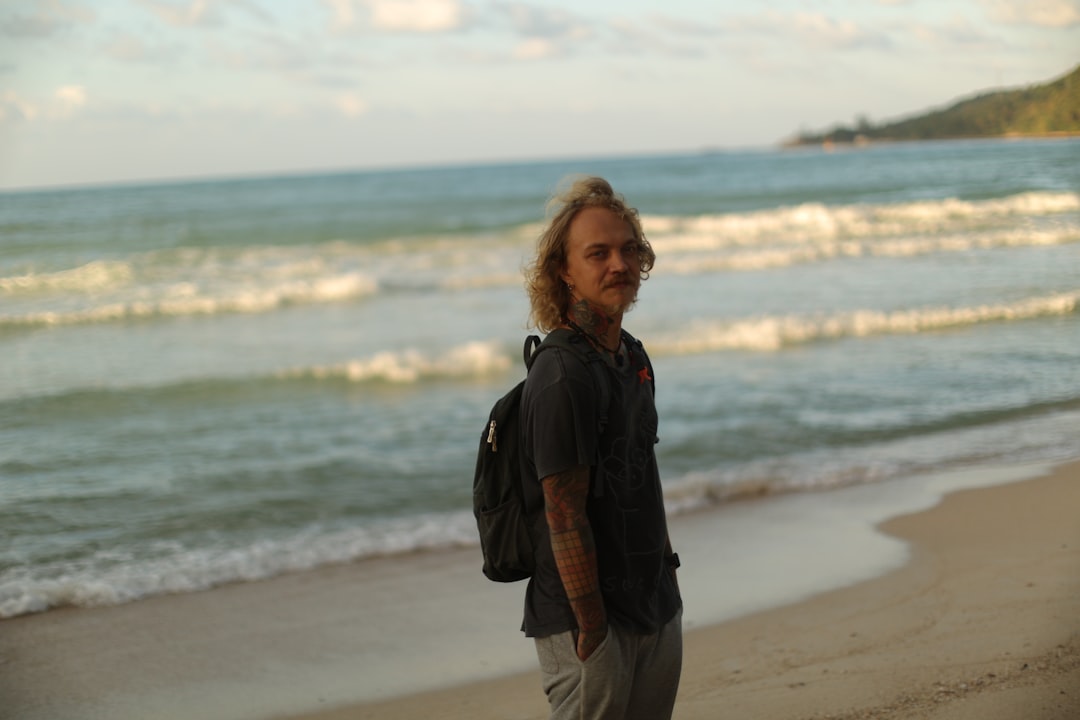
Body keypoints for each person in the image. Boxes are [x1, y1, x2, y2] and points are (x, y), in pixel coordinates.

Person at [520, 175, 683, 720]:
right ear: (564, 271)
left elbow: (641, 472)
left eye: (629, 248)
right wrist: (592, 628)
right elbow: (563, 515)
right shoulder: (562, 374)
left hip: (652, 602)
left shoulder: (631, 355)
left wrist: (666, 585)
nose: (620, 263)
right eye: (598, 253)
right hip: (587, 622)